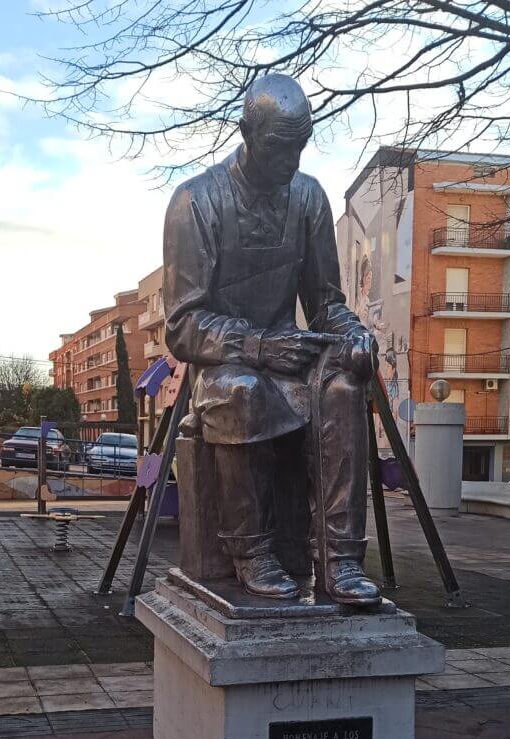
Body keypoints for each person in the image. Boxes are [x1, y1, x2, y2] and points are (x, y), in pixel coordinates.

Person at [162, 73, 381, 607]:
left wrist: (353, 336)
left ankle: (340, 557)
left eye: (301, 145)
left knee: (344, 388)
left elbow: (326, 301)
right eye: (281, 146)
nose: (293, 160)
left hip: (289, 360)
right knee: (243, 392)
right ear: (247, 132)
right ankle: (249, 549)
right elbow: (182, 325)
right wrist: (259, 346)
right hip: (222, 367)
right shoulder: (196, 201)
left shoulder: (307, 198)